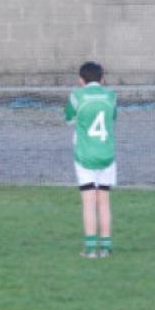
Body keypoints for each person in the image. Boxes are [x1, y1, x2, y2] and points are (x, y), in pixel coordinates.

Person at [64, 61, 117, 259]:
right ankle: (105, 247)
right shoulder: (111, 96)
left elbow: (69, 119)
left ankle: (89, 249)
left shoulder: (76, 95)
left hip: (84, 154)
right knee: (104, 201)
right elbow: (113, 118)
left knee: (88, 201)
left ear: (80, 80)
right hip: (107, 154)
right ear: (102, 78)